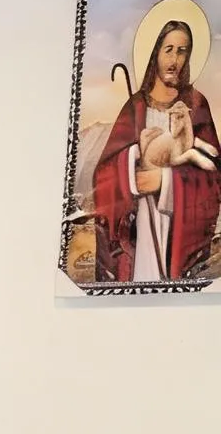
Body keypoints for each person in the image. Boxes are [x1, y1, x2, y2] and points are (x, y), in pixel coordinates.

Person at [93, 14, 219, 284]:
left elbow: (214, 178)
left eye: (182, 51)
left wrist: (166, 181)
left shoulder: (196, 105)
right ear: (155, 53)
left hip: (179, 230)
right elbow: (102, 176)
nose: (175, 60)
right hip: (140, 229)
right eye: (168, 50)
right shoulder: (135, 107)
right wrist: (133, 161)